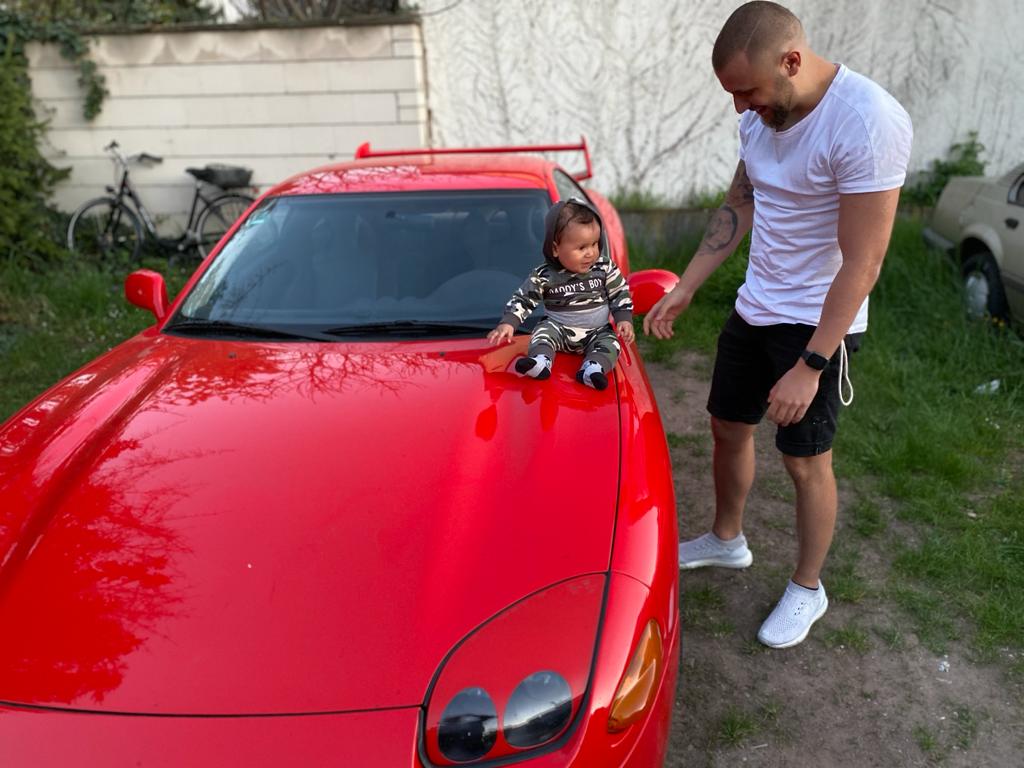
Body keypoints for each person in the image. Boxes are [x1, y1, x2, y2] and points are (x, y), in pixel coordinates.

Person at [643, 1, 912, 648]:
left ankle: (807, 587)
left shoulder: (867, 121)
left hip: (817, 323)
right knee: (727, 426)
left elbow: (864, 262)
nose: (740, 108)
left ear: (791, 60)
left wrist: (812, 364)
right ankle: (727, 539)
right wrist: (688, 284)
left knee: (804, 461)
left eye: (748, 92)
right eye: (733, 95)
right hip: (755, 303)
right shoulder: (761, 116)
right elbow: (740, 202)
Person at [488, 198, 634, 390]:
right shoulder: (544, 275)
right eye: (581, 248)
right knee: (541, 334)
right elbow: (524, 299)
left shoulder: (604, 268)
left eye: (594, 244)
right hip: (558, 329)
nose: (591, 253)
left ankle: (593, 369)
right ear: (556, 248)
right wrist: (509, 322)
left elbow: (619, 292)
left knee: (612, 344)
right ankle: (540, 362)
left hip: (597, 331)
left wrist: (624, 319)